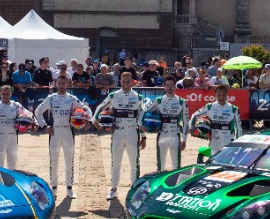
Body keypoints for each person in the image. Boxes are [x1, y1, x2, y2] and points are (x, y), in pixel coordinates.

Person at [94, 71, 147, 200]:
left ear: (132, 81)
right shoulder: (113, 95)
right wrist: (95, 119)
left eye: (128, 82)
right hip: (118, 132)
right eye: (123, 82)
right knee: (115, 162)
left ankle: (134, 189)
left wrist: (144, 136)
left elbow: (142, 118)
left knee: (134, 163)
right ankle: (113, 189)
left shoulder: (139, 97)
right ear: (120, 82)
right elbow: (101, 107)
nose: (125, 84)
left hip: (132, 133)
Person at [34, 74, 82, 198]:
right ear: (56, 84)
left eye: (63, 84)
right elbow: (38, 111)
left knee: (69, 160)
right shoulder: (51, 98)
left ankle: (69, 188)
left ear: (67, 84)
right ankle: (54, 187)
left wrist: (86, 122)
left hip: (68, 132)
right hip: (54, 132)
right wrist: (44, 126)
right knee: (54, 161)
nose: (61, 86)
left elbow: (86, 109)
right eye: (59, 84)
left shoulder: (72, 99)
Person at [148, 77, 189, 171]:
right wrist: (143, 125)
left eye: (171, 85)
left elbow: (186, 121)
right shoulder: (159, 100)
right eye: (167, 85)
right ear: (164, 87)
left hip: (175, 134)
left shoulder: (182, 101)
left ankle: (176, 184)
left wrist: (184, 139)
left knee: (176, 166)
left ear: (175, 87)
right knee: (160, 165)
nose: (169, 87)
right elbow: (145, 112)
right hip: (162, 134)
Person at [191, 84, 243, 153]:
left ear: (227, 95)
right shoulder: (210, 107)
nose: (221, 97)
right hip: (214, 142)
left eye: (223, 95)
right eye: (219, 95)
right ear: (215, 95)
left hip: (228, 141)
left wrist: (237, 144)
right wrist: (191, 127)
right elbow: (194, 115)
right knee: (213, 162)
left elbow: (238, 128)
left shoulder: (234, 109)